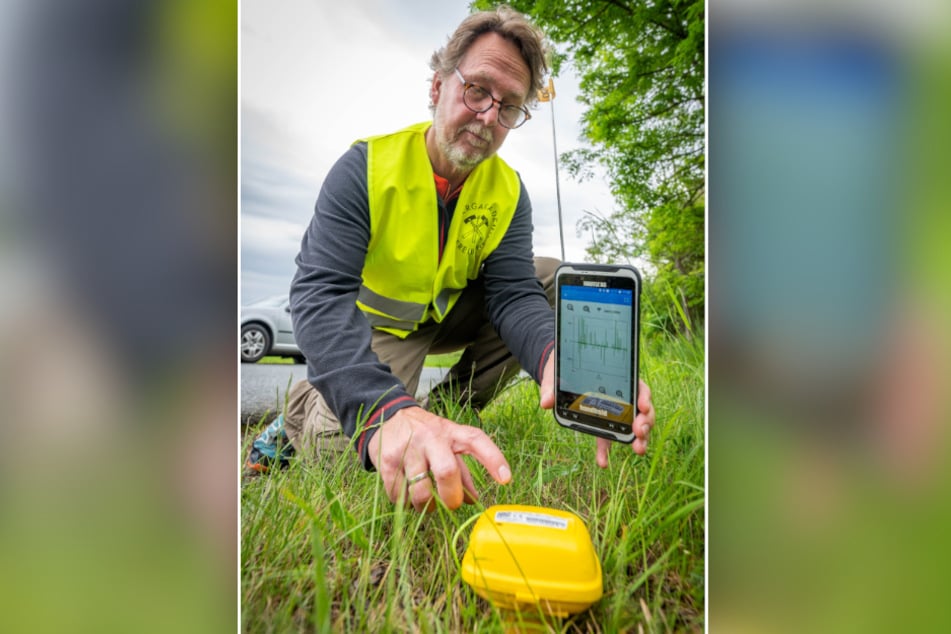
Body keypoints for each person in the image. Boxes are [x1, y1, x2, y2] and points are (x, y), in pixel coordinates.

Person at [281, 6, 655, 512]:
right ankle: (304, 409)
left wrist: (556, 359)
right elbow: (319, 293)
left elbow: (514, 295)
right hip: (382, 328)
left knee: (547, 277)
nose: (488, 117)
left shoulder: (508, 192)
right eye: (477, 90)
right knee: (351, 455)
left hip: (450, 313)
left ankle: (450, 411)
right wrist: (383, 409)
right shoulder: (365, 169)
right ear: (437, 87)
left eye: (508, 107)